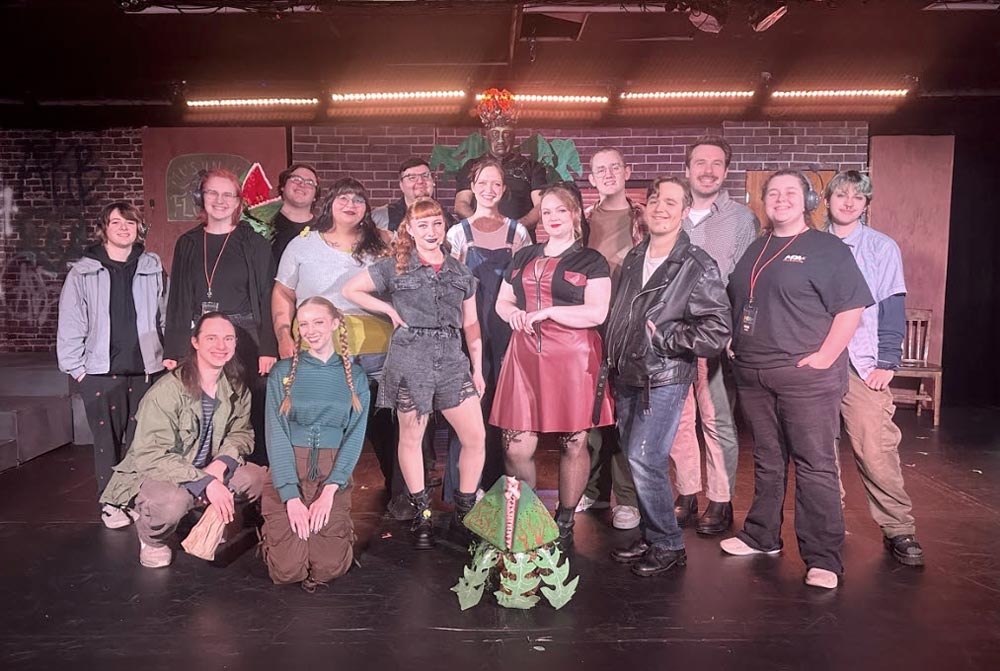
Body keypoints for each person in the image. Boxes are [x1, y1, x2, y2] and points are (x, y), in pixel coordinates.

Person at [721, 170, 873, 590]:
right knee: (768, 459)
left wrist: (826, 356)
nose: (781, 199)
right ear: (763, 201)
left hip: (806, 377)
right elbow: (745, 299)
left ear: (808, 200)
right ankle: (761, 535)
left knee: (814, 464)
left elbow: (851, 308)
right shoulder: (758, 246)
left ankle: (823, 557)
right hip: (754, 374)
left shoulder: (827, 249)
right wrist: (736, 341)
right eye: (773, 193)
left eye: (791, 193)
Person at [343, 197, 486, 550]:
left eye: (437, 223)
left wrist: (478, 371)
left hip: (452, 360)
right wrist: (389, 310)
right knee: (411, 437)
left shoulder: (460, 272)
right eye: (423, 224)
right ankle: (421, 512)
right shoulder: (396, 266)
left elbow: (472, 325)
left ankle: (463, 512)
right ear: (410, 228)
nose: (431, 230)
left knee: (475, 437)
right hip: (411, 357)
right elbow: (351, 290)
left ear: (444, 227)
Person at [605, 176, 731, 576]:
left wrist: (669, 338)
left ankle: (668, 543)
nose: (660, 207)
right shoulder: (633, 258)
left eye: (671, 202)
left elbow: (716, 329)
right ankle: (651, 532)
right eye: (655, 200)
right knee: (636, 457)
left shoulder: (695, 264)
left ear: (683, 212)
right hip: (626, 373)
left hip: (664, 375)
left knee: (646, 457)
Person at [271, 178, 412, 515]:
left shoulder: (383, 244)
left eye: (359, 200)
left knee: (387, 423)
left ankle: (401, 494)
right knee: (322, 422)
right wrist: (282, 335)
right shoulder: (303, 246)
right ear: (329, 204)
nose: (351, 205)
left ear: (367, 208)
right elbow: (283, 293)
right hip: (320, 347)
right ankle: (315, 494)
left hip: (377, 348)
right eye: (343, 198)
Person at [490, 184, 614, 548]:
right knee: (515, 446)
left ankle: (565, 520)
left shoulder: (592, 261)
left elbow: (597, 312)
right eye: (546, 212)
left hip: (574, 358)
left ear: (575, 214)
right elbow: (503, 300)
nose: (553, 218)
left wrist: (549, 311)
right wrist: (512, 312)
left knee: (574, 441)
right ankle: (529, 516)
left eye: (561, 210)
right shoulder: (523, 255)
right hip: (525, 355)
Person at [100, 313, 267, 568]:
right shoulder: (166, 392)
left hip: (208, 468)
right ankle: (151, 537)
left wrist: (220, 465)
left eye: (228, 338)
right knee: (170, 504)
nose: (221, 346)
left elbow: (241, 433)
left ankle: (202, 514)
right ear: (195, 342)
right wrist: (205, 482)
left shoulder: (236, 387)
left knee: (254, 478)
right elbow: (151, 455)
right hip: (164, 472)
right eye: (211, 338)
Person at [824, 170, 924, 566]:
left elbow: (891, 306)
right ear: (828, 200)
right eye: (842, 195)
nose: (849, 202)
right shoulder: (811, 245)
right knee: (820, 451)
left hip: (862, 362)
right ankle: (829, 524)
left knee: (876, 449)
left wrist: (887, 361)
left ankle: (899, 529)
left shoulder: (882, 248)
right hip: (817, 361)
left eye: (858, 197)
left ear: (867, 204)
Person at [56, 201, 166, 528]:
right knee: (106, 442)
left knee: (137, 441)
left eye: (129, 223)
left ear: (138, 228)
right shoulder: (84, 272)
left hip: (145, 368)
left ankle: (131, 498)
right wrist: (77, 369)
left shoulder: (152, 267)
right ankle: (110, 502)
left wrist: (166, 358)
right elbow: (71, 321)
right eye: (116, 222)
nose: (123, 228)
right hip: (100, 371)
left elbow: (166, 313)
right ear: (104, 228)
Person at [671, 136, 759, 535]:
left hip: (715, 334)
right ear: (687, 168)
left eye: (716, 163)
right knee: (678, 419)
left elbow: (745, 285)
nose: (707, 170)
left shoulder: (741, 220)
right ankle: (687, 493)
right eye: (700, 162)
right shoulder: (669, 212)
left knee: (717, 419)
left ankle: (720, 501)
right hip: (672, 336)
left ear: (726, 171)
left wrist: (733, 334)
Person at [163, 169, 278, 464]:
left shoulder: (255, 243)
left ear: (238, 201)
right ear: (202, 198)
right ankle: (204, 480)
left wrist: (268, 348)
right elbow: (176, 298)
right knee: (204, 408)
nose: (220, 200)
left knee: (248, 410)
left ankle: (253, 481)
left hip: (245, 336)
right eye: (212, 193)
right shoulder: (187, 243)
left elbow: (267, 297)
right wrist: (174, 349)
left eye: (228, 194)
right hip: (202, 336)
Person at [261, 297, 370, 591]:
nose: (310, 330)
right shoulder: (282, 373)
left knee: (328, 568)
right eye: (304, 323)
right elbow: (276, 434)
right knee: (287, 572)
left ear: (335, 324)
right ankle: (277, 534)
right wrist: (290, 496)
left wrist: (330, 489)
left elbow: (355, 436)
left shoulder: (355, 377)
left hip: (331, 472)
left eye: (318, 322)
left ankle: (331, 535)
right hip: (289, 469)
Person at [444, 157, 531, 499]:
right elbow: (450, 284)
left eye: (496, 184)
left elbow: (525, 284)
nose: (489, 190)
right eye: (483, 183)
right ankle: (465, 489)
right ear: (473, 187)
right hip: (471, 328)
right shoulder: (457, 233)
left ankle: (498, 485)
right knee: (469, 402)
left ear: (504, 189)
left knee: (502, 404)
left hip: (507, 328)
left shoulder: (517, 232)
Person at [577, 147, 645, 531]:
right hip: (591, 328)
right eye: (599, 169)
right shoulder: (582, 222)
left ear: (627, 171)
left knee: (625, 417)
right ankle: (595, 490)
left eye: (614, 167)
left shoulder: (643, 219)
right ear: (591, 178)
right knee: (592, 416)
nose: (608, 174)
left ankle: (628, 499)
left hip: (631, 327)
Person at [454, 94, 547, 234]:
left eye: (506, 134)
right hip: (480, 237)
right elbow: (461, 204)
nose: (501, 140)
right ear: (487, 136)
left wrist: (514, 229)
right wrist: (483, 225)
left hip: (520, 240)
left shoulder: (532, 167)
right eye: (495, 134)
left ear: (514, 136)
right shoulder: (472, 166)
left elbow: (540, 206)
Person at [372, 157, 457, 234]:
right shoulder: (381, 217)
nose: (420, 181)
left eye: (425, 176)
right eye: (412, 177)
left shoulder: (447, 219)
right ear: (401, 185)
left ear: (433, 182)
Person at [270, 164, 320, 265]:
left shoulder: (322, 230)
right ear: (283, 186)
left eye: (310, 182)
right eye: (296, 179)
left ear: (315, 196)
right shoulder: (261, 222)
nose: (302, 185)